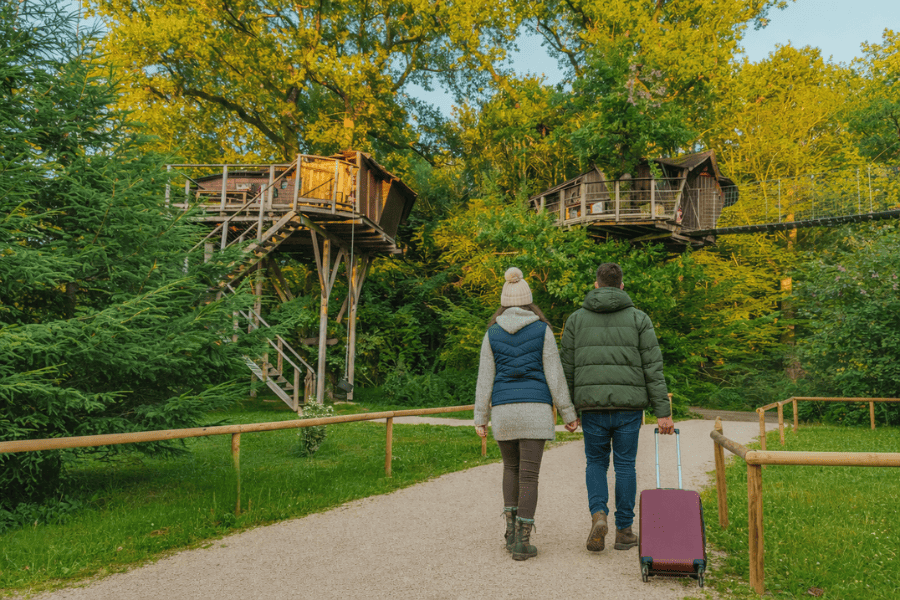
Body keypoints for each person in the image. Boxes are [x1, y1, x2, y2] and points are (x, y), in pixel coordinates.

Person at [560, 262, 675, 554]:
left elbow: (566, 369)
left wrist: (567, 410)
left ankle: (599, 514)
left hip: (592, 407)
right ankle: (624, 531)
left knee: (596, 463)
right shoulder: (639, 319)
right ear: (621, 286)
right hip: (628, 407)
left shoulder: (576, 320)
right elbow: (653, 368)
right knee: (625, 465)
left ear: (596, 285)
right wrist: (663, 412)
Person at [474, 267, 579, 561]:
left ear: (503, 302)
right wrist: (569, 413)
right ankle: (523, 542)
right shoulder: (542, 330)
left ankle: (510, 533)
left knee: (511, 469)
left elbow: (485, 378)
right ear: (529, 300)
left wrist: (480, 417)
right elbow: (554, 374)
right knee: (529, 476)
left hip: (504, 411)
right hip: (536, 411)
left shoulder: (492, 333)